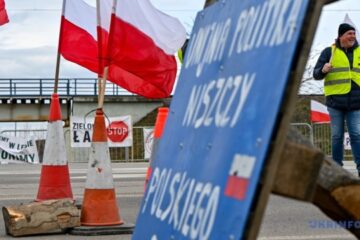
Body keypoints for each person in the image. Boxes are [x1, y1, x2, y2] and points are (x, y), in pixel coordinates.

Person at [313, 23, 360, 177]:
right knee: (337, 136)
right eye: (349, 33)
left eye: (354, 33)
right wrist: (323, 70)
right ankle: (337, 170)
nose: (352, 36)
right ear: (341, 36)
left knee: (356, 134)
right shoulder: (329, 52)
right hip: (335, 102)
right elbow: (316, 74)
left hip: (356, 102)